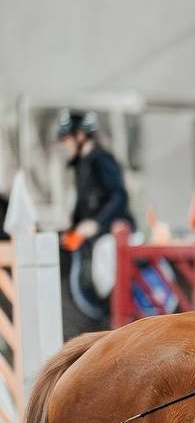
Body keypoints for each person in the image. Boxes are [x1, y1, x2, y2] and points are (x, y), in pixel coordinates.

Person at [56, 110, 135, 338]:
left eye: (66, 139)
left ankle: (116, 316)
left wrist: (96, 224)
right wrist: (72, 227)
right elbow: (82, 205)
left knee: (104, 255)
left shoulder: (103, 161)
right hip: (94, 233)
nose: (64, 145)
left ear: (80, 136)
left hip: (115, 231)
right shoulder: (81, 166)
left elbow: (118, 196)